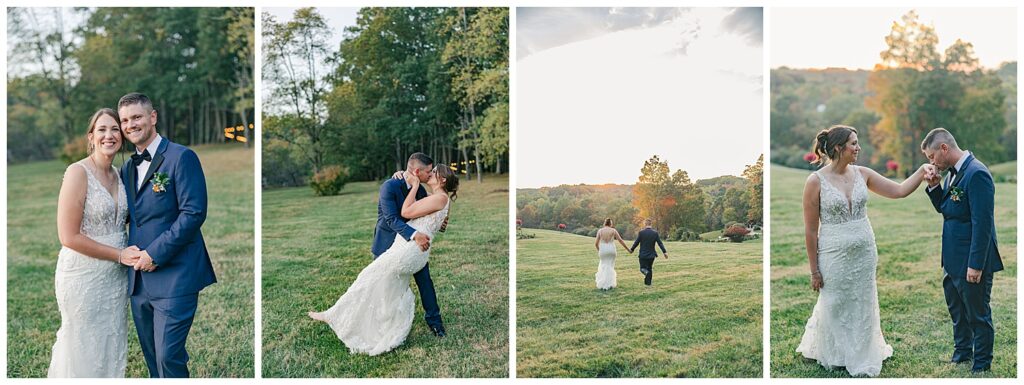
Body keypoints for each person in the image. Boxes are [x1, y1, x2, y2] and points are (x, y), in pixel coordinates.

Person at [796, 125, 935, 376]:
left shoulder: (863, 174)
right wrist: (814, 270)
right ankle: (836, 352)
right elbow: (809, 231)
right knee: (835, 301)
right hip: (832, 253)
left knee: (862, 300)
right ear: (838, 148)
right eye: (853, 144)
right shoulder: (815, 182)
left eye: (857, 143)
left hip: (864, 252)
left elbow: (899, 190)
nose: (858, 148)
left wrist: (921, 171)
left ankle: (862, 352)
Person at [309, 161, 459, 355]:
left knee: (380, 280)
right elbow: (391, 218)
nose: (429, 175)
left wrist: (418, 193)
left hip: (411, 248)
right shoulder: (391, 185)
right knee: (384, 287)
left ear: (441, 179)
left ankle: (434, 324)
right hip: (391, 242)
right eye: (428, 171)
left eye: (433, 172)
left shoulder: (424, 191)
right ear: (416, 170)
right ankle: (381, 324)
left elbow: (415, 212)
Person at [921, 128, 1003, 373]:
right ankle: (963, 352)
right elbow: (949, 210)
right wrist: (935, 187)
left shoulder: (977, 173)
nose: (932, 162)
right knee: (957, 311)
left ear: (944, 148)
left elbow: (982, 224)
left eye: (932, 156)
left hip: (971, 259)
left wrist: (975, 264)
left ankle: (982, 363)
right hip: (952, 259)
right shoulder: (953, 174)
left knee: (977, 313)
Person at [594, 219, 630, 290]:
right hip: (611, 250)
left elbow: (596, 244)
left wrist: (600, 250)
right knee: (610, 266)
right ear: (611, 224)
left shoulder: (600, 231)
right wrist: (628, 249)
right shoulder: (613, 230)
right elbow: (620, 240)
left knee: (604, 265)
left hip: (603, 249)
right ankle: (610, 284)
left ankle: (603, 283)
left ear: (604, 223)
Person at [629, 219, 667, 286]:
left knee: (642, 268)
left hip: (643, 255)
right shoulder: (655, 233)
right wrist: (664, 252)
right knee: (650, 268)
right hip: (651, 255)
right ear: (651, 224)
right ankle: (648, 284)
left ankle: (646, 274)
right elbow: (660, 243)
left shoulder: (641, 233)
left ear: (645, 224)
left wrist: (632, 249)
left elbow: (636, 242)